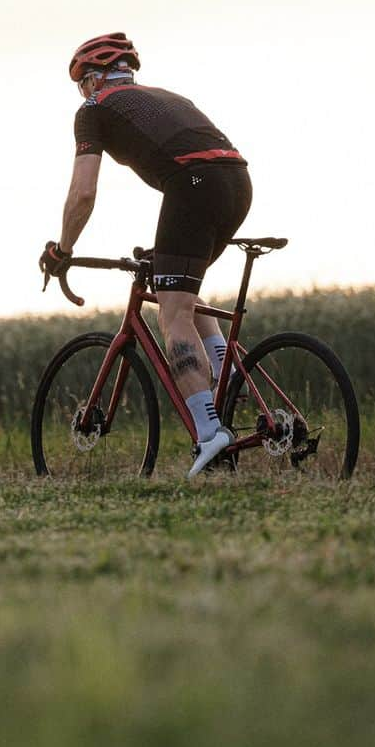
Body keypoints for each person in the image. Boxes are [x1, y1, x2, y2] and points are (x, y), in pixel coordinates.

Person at [39, 32, 252, 478]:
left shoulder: (94, 110)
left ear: (95, 80)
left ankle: (210, 435)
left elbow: (83, 193)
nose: (83, 93)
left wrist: (63, 249)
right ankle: (229, 374)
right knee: (180, 289)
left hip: (193, 185)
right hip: (236, 182)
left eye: (83, 84)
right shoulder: (166, 96)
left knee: (171, 313)